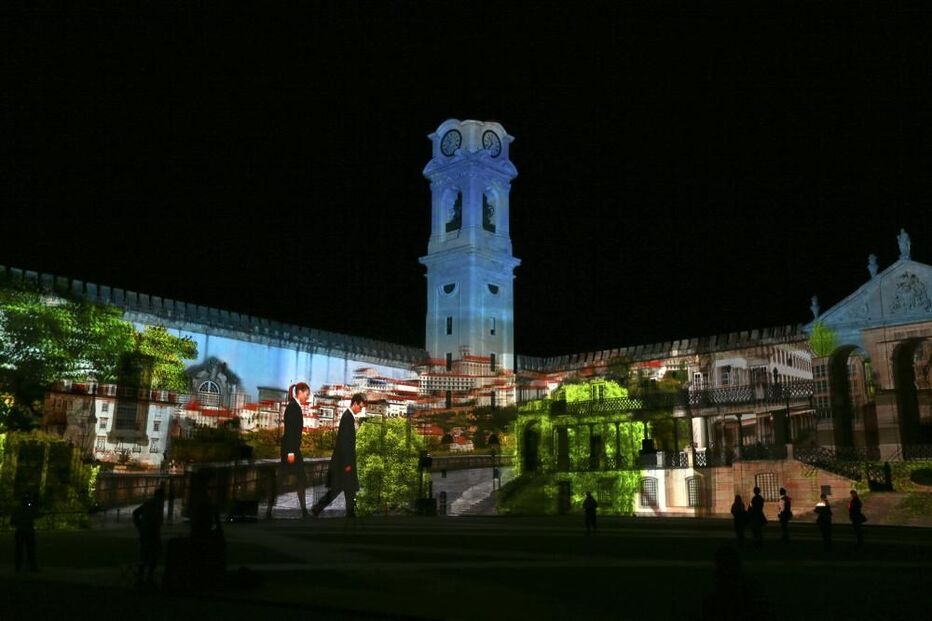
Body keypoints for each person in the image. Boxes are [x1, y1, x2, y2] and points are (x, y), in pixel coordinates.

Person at [312, 393, 365, 517]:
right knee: (342, 488)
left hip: (345, 462)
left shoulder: (348, 417)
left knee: (346, 488)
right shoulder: (348, 418)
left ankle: (349, 512)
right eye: (360, 407)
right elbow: (345, 443)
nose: (361, 409)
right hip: (345, 463)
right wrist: (347, 464)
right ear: (355, 403)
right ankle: (319, 508)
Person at [278, 382, 311, 518]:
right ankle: (303, 511)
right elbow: (290, 431)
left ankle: (303, 511)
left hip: (291, 449)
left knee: (293, 479)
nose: (307, 398)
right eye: (307, 394)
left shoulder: (294, 406)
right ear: (300, 392)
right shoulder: (293, 407)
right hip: (291, 450)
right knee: (299, 479)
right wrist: (291, 452)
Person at [132, 487, 165, 586]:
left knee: (145, 556)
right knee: (153, 555)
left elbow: (136, 513)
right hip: (152, 532)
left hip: (146, 531)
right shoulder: (156, 504)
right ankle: (148, 577)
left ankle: (141, 578)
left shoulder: (149, 503)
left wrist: (139, 526)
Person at [11, 494, 39, 572]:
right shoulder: (30, 509)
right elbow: (37, 514)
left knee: (19, 551)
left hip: (20, 531)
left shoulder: (17, 510)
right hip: (29, 532)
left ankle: (18, 567)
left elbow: (12, 521)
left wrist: (19, 523)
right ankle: (32, 567)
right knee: (31, 551)